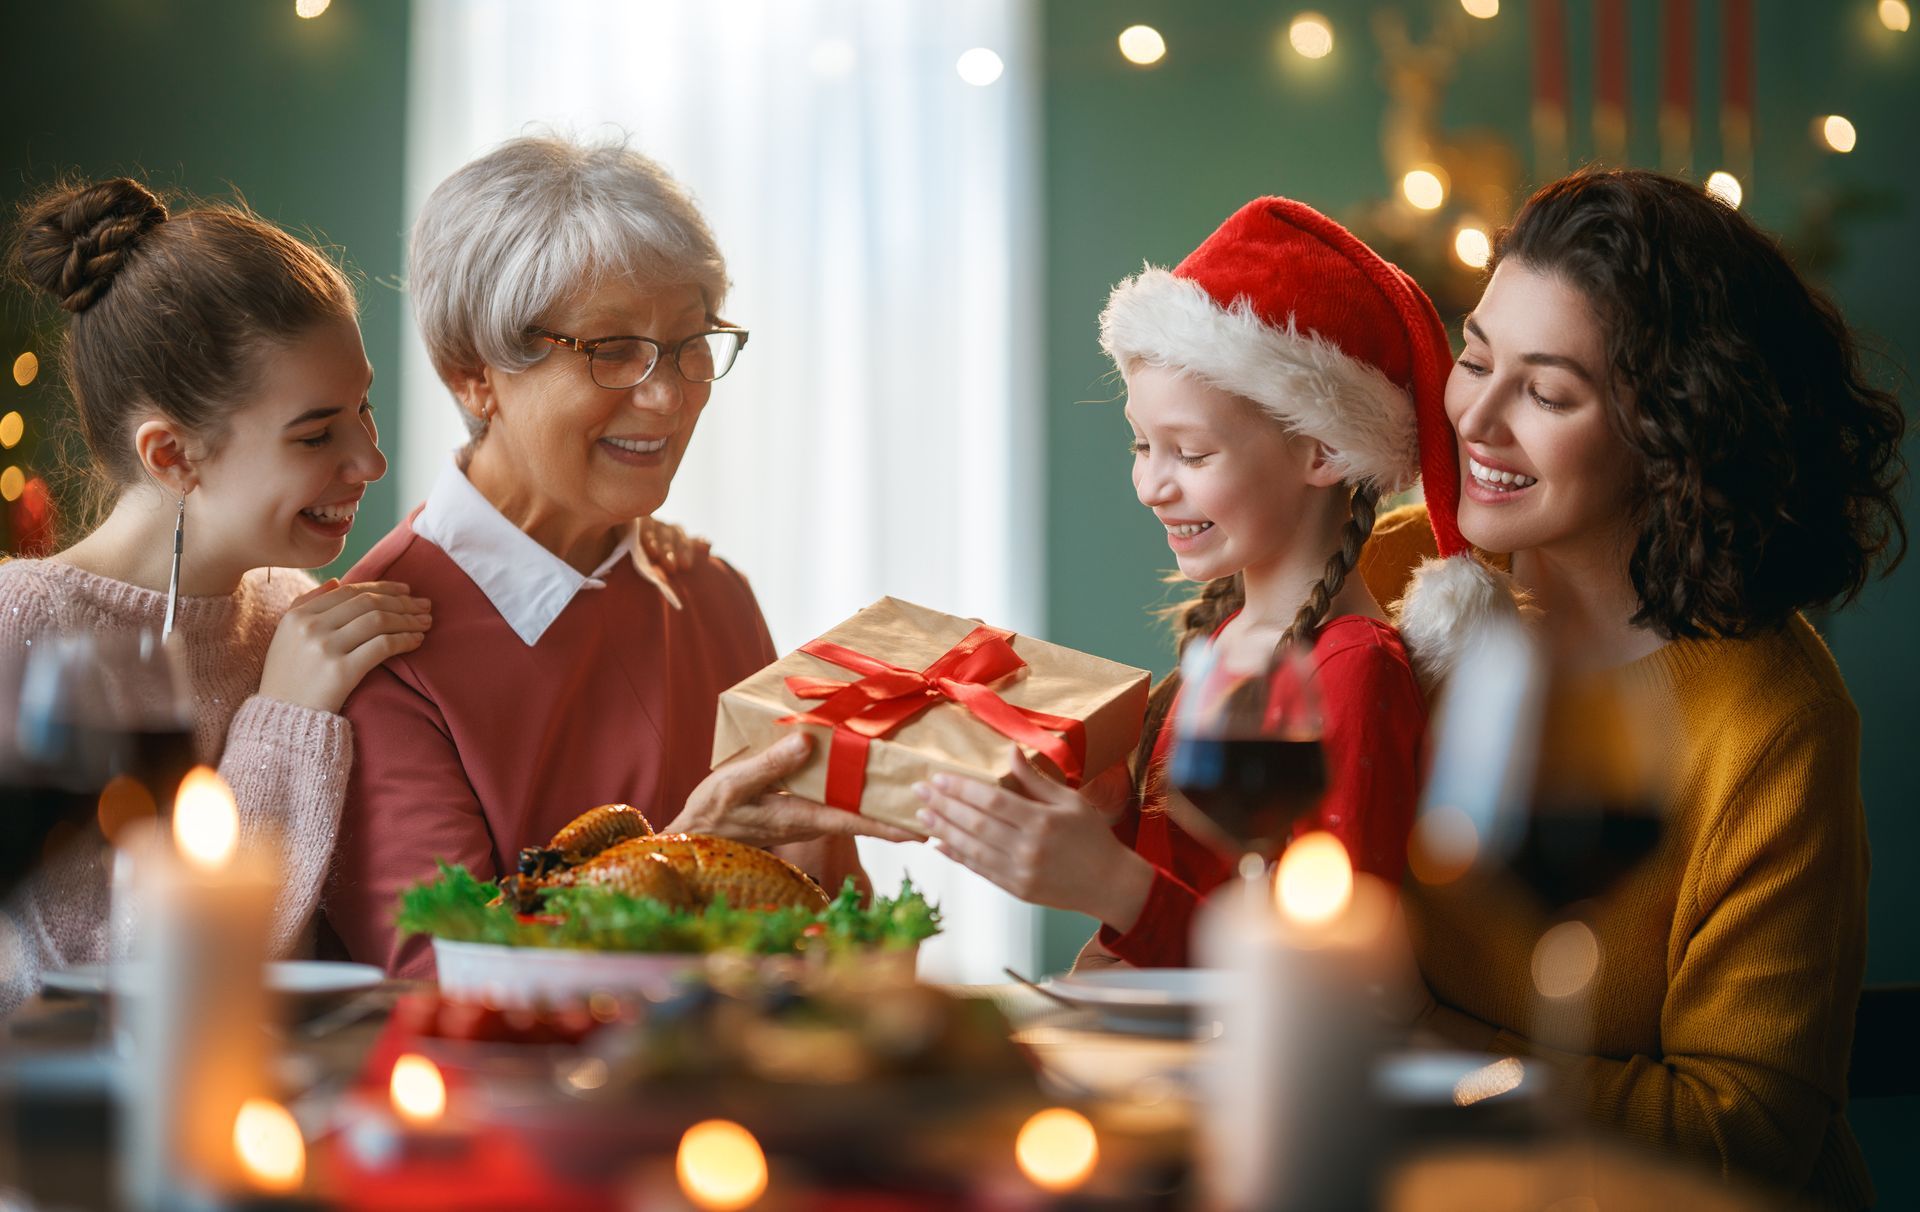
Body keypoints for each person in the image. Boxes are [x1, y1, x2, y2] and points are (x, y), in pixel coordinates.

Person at [1362, 168, 1906, 1209]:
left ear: (1674, 434)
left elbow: (1741, 1141)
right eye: (1474, 358)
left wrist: (1427, 1041)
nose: (1476, 418)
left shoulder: (1773, 721)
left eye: (1550, 393)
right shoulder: (1394, 573)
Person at [325, 136, 911, 977]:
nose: (667, 396)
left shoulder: (714, 597)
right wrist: (684, 858)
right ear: (471, 375)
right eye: (611, 350)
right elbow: (437, 976)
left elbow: (842, 953)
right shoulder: (380, 642)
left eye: (688, 342)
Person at [917, 197, 1453, 967]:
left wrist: (1113, 883)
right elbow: (1194, 891)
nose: (1150, 485)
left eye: (1191, 454)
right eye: (1142, 445)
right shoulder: (1229, 643)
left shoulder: (1352, 671)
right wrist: (1102, 825)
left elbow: (1328, 968)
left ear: (1324, 451)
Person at [0, 177, 428, 1011]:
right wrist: (285, 719)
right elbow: (104, 984)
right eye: (316, 433)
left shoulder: (287, 610)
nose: (370, 462)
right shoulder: (23, 628)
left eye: (363, 410)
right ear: (171, 456)